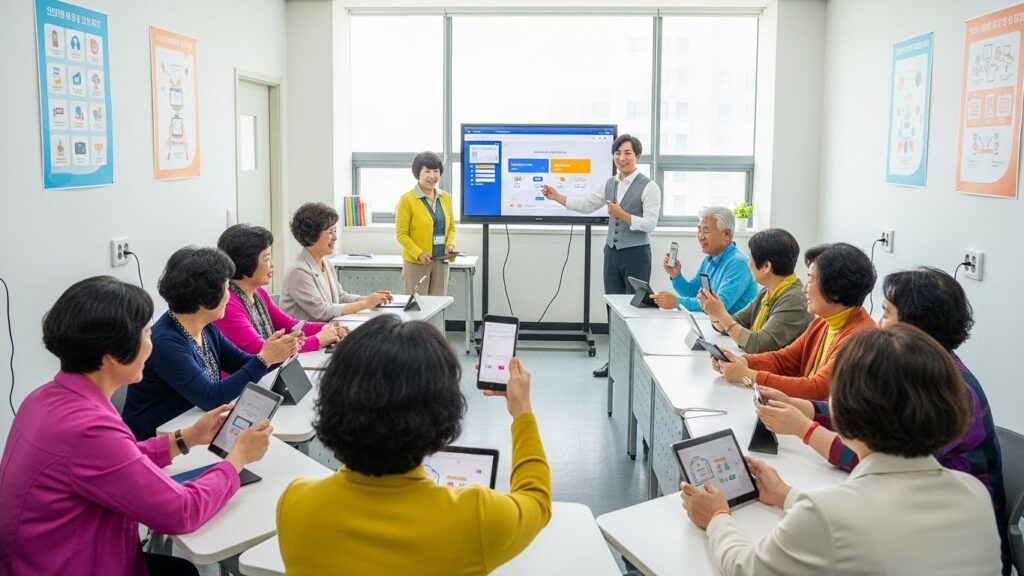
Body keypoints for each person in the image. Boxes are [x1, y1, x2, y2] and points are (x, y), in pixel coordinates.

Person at [0, 276, 273, 575]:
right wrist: (238, 459)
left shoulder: (42, 399)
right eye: (146, 334)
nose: (151, 345)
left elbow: (114, 460)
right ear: (113, 355)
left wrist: (187, 437)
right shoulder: (89, 430)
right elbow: (182, 512)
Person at [680, 325, 1001, 575]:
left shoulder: (829, 512)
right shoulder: (974, 494)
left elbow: (744, 569)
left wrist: (717, 516)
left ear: (845, 416)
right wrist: (786, 495)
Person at [754, 267, 1009, 574]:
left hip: (934, 543)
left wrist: (802, 427)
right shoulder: (922, 371)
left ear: (914, 327)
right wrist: (804, 407)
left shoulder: (952, 391)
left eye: (886, 313)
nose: (877, 323)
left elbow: (878, 458)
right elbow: (877, 416)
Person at [277, 315, 551, 575]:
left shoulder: (296, 504)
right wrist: (522, 410)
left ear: (332, 400)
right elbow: (537, 500)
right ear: (443, 412)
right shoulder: (476, 518)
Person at [122, 247, 300, 439]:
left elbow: (242, 363)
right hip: (158, 442)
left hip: (191, 430)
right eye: (225, 288)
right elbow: (211, 398)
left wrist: (278, 352)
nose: (229, 295)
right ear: (204, 298)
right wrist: (265, 358)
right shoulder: (165, 342)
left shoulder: (206, 327)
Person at [541, 134, 662, 377]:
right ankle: (615, 362)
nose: (621, 158)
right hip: (612, 254)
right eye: (617, 153)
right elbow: (585, 205)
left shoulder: (649, 186)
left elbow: (650, 224)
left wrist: (622, 214)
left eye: (627, 153)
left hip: (637, 254)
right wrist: (557, 197)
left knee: (635, 310)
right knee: (613, 310)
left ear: (637, 156)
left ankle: (636, 365)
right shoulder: (609, 184)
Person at [712, 243, 876, 400]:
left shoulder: (859, 338)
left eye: (810, 280)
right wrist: (744, 361)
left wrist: (748, 376)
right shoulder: (823, 323)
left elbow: (816, 389)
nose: (804, 288)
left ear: (835, 289)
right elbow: (784, 359)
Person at [215, 223, 345, 353]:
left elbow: (291, 325)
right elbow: (263, 351)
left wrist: (328, 328)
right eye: (266, 258)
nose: (272, 264)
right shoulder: (228, 304)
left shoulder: (258, 293)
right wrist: (319, 340)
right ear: (246, 262)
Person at [698, 228, 812, 352]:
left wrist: (720, 313)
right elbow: (729, 325)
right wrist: (713, 311)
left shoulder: (793, 300)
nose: (748, 263)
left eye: (751, 258)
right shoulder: (767, 292)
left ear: (766, 266)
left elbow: (757, 345)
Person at [281, 202, 392, 321]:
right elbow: (322, 312)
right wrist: (366, 304)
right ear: (311, 235)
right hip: (304, 337)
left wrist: (371, 299)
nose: (335, 237)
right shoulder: (298, 271)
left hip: (326, 331)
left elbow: (340, 296)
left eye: (335, 230)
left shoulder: (326, 263)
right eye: (330, 232)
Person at [651, 206, 758, 314]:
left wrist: (676, 302)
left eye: (706, 231)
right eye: (699, 230)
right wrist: (676, 276)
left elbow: (719, 305)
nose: (700, 236)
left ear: (726, 234)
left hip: (731, 328)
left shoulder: (739, 264)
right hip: (713, 323)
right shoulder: (709, 260)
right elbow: (692, 292)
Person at [395, 151, 457, 296]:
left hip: (441, 261)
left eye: (436, 171)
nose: (432, 176)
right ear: (418, 173)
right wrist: (419, 254)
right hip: (417, 263)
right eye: (427, 171)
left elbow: (452, 228)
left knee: (438, 306)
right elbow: (401, 234)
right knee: (418, 308)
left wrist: (450, 244)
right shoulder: (407, 199)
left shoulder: (445, 197)